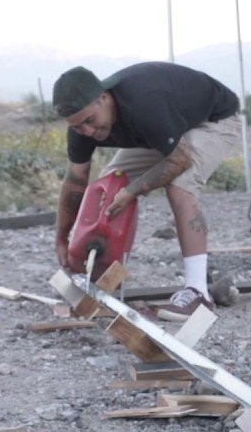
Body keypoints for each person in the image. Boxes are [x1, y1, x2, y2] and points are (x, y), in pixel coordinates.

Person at [52, 62, 240, 320]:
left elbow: (179, 160)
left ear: (104, 98)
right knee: (107, 187)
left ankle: (198, 294)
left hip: (212, 120)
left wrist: (132, 191)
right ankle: (99, 278)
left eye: (90, 121)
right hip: (162, 127)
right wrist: (62, 238)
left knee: (179, 185)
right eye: (77, 126)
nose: (87, 131)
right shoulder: (82, 127)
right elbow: (75, 182)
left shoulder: (144, 104)